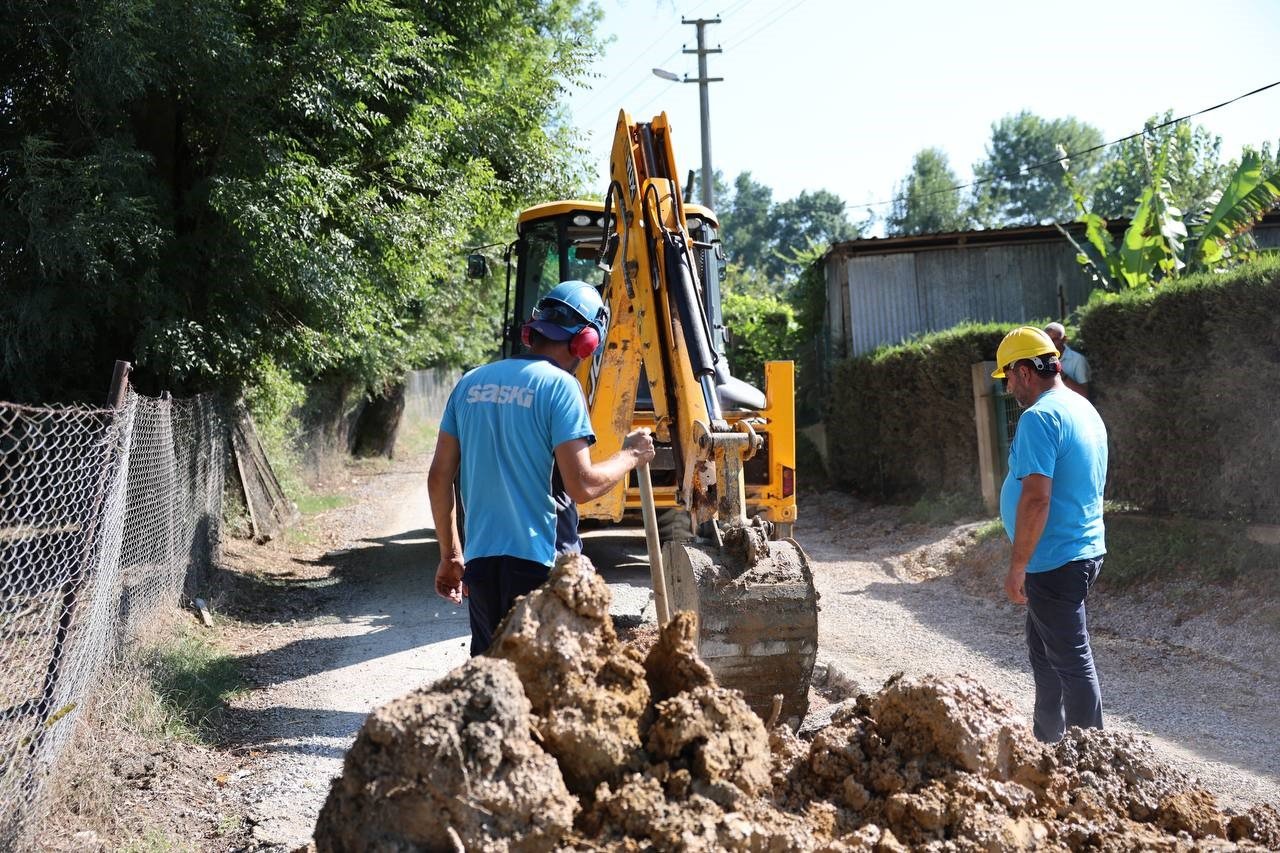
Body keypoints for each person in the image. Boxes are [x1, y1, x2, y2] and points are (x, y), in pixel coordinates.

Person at [427, 280, 656, 655]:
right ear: (587, 342)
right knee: (550, 686)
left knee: (491, 680)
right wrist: (631, 454)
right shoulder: (560, 387)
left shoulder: (469, 383)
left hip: (482, 565)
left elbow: (439, 478)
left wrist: (451, 556)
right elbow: (582, 485)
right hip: (544, 565)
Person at [993, 326, 1108, 743]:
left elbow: (1037, 499)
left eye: (1008, 376)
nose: (1008, 387)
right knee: (1045, 655)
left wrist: (1018, 565)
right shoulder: (1082, 408)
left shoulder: (1039, 417)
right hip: (1082, 550)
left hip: (1055, 559)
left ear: (1025, 371)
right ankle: (1047, 742)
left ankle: (1090, 760)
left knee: (1072, 660)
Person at [1044, 322, 1090, 398]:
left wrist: (1061, 374)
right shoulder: (1040, 359)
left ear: (1064, 339)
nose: (1050, 344)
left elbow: (1084, 394)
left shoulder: (1078, 360)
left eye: (1054, 340)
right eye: (1047, 340)